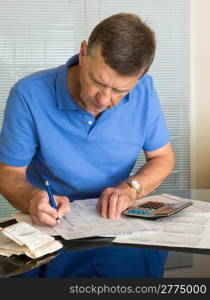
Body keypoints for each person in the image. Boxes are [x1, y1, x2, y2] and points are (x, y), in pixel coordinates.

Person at [0, 13, 175, 277]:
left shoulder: (145, 90)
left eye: (120, 92)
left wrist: (131, 189)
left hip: (118, 225)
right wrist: (31, 198)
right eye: (97, 82)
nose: (105, 99)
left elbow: (163, 158)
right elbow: (8, 173)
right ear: (83, 52)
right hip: (53, 228)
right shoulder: (28, 94)